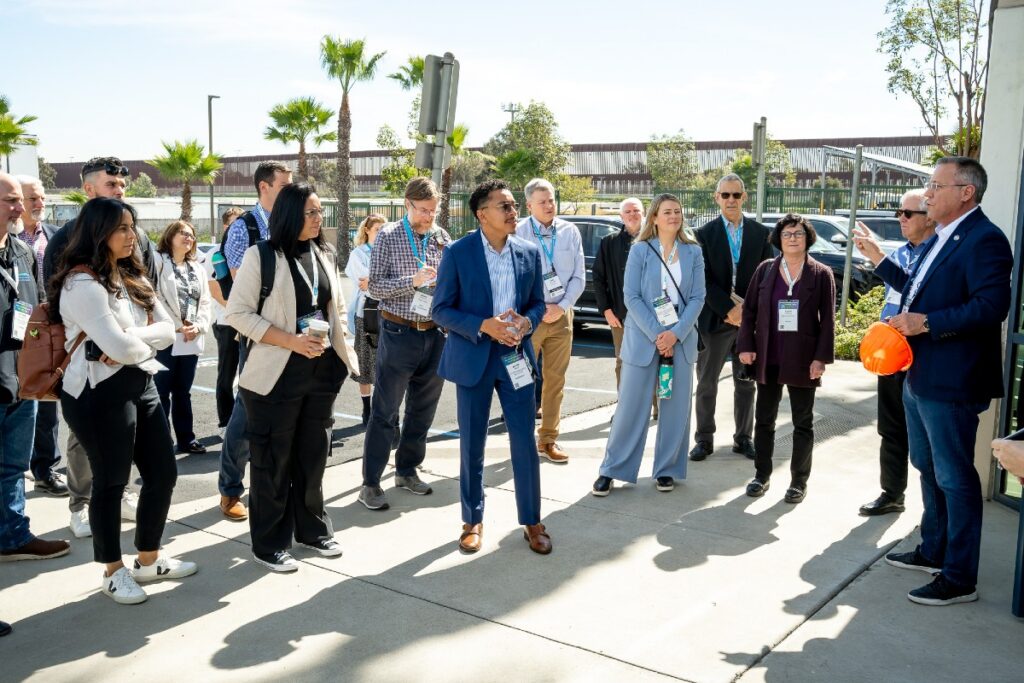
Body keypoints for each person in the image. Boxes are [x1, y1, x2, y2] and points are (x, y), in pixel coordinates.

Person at [854, 157, 1012, 606]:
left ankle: (960, 577)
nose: (927, 194)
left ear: (966, 192)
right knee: (927, 466)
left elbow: (989, 307)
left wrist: (926, 323)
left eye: (936, 186)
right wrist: (881, 260)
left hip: (953, 381)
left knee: (955, 477)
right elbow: (915, 286)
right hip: (919, 375)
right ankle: (933, 549)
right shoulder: (941, 238)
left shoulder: (985, 240)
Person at [52, 197, 196, 604]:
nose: (132, 236)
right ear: (97, 233)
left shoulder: (132, 274)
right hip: (97, 391)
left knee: (163, 474)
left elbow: (169, 330)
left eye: (132, 227)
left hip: (140, 380)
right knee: (111, 481)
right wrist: (129, 344)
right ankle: (112, 570)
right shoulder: (80, 283)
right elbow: (119, 345)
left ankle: (148, 559)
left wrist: (131, 343)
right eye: (121, 229)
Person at [226, 182, 357, 572]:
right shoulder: (261, 255)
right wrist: (292, 342)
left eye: (320, 212)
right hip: (274, 376)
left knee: (312, 457)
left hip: (321, 372)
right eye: (311, 213)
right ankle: (269, 544)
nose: (319, 219)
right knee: (272, 462)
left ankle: (313, 531)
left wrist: (338, 346)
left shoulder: (324, 253)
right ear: (289, 215)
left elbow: (337, 308)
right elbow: (238, 315)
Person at [432, 179, 551, 554]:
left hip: (515, 358)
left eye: (514, 205)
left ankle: (532, 520)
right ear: (483, 214)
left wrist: (526, 323)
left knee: (524, 442)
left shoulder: (529, 252)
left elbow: (537, 303)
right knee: (473, 443)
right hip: (474, 358)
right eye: (506, 206)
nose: (514, 211)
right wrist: (484, 324)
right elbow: (441, 310)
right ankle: (472, 519)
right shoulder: (458, 253)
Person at [42, 157, 149, 538]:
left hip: (131, 360)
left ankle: (120, 494)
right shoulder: (66, 238)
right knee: (83, 441)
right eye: (111, 185)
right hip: (86, 367)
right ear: (88, 189)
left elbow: (146, 296)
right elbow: (55, 302)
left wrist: (129, 341)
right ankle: (80, 503)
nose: (119, 191)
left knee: (131, 433)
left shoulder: (138, 235)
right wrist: (98, 340)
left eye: (122, 185)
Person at [592, 193, 705, 496]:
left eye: (677, 211)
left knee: (675, 406)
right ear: (654, 217)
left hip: (679, 343)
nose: (673, 216)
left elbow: (698, 298)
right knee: (631, 407)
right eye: (667, 212)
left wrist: (675, 334)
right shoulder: (640, 250)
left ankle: (666, 469)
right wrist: (659, 333)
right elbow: (631, 297)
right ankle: (612, 469)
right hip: (643, 339)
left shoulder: (693, 252)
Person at [359, 177, 450, 511]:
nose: (429, 216)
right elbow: (376, 288)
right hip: (398, 332)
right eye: (424, 210)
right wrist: (411, 282)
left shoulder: (441, 237)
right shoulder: (388, 235)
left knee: (422, 409)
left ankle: (407, 470)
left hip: (435, 332)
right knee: (385, 411)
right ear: (407, 204)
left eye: (433, 210)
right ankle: (370, 483)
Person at [737, 214, 835, 505]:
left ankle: (798, 482)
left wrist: (821, 359)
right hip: (768, 356)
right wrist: (746, 346)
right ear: (778, 239)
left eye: (799, 233)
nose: (793, 238)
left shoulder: (821, 273)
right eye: (787, 234)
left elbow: (828, 321)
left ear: (808, 238)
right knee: (764, 420)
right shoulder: (765, 270)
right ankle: (761, 475)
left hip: (803, 359)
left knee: (802, 423)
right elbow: (749, 312)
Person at [0, 172, 70, 564]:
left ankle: (12, 536)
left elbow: (33, 310)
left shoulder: (22, 253)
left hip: (19, 382)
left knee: (12, 468)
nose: (20, 208)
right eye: (11, 200)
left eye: (20, 200)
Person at [218, 162, 292, 522]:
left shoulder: (290, 225)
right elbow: (239, 288)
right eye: (283, 185)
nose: (289, 191)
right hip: (259, 334)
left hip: (293, 336)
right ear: (264, 187)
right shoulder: (243, 228)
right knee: (246, 413)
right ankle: (231, 488)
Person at [857, 190, 936, 517]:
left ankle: (933, 510)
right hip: (893, 354)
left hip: (923, 357)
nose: (901, 219)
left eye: (908, 214)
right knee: (891, 428)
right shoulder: (901, 253)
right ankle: (892, 493)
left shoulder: (936, 255)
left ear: (928, 217)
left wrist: (877, 256)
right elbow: (893, 301)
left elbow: (916, 293)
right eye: (899, 213)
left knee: (927, 438)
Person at [690, 173, 773, 462]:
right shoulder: (702, 234)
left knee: (746, 382)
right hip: (716, 319)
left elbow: (768, 277)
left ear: (744, 197)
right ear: (717, 198)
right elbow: (702, 277)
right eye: (725, 195)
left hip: (750, 322)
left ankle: (743, 438)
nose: (731, 200)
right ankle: (704, 439)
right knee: (707, 382)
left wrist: (747, 312)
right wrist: (728, 308)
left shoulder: (761, 234)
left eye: (736, 195)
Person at [514, 178, 585, 463]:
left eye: (552, 200)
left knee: (555, 381)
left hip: (562, 316)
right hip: (529, 317)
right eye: (542, 201)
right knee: (521, 380)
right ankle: (520, 440)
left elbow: (579, 276)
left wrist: (563, 305)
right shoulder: (516, 232)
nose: (549, 206)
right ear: (529, 204)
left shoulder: (569, 232)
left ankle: (548, 440)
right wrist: (534, 309)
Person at [16, 175, 67, 496]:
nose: (40, 204)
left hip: (47, 334)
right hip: (13, 333)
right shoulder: (9, 241)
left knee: (48, 402)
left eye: (42, 198)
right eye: (33, 198)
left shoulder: (55, 237)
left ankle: (46, 468)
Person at [593, 197, 659, 419]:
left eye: (636, 211)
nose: (632, 214)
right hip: (621, 315)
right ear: (621, 216)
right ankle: (626, 408)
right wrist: (606, 310)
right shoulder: (609, 242)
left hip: (653, 315)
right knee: (624, 362)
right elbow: (599, 278)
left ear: (644, 213)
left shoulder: (656, 240)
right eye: (628, 211)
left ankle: (658, 407)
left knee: (656, 359)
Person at [153, 220, 212, 454]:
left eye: (191, 235)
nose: (188, 238)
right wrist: (178, 326)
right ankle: (160, 441)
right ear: (170, 236)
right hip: (168, 336)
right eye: (182, 234)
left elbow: (205, 301)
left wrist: (198, 326)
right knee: (160, 392)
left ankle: (186, 439)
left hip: (191, 338)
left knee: (183, 392)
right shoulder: (158, 262)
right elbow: (154, 296)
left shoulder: (197, 267)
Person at [203, 207, 244, 434]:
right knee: (226, 375)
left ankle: (243, 421)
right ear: (225, 227)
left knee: (247, 375)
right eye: (234, 224)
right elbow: (214, 288)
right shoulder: (215, 254)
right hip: (228, 323)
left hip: (248, 324)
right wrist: (240, 311)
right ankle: (225, 422)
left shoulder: (248, 252)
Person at [345, 213, 386, 425]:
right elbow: (365, 282)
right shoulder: (358, 254)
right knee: (365, 365)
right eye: (377, 229)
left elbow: (385, 281)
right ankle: (366, 408)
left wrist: (375, 281)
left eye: (383, 229)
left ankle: (381, 408)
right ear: (367, 230)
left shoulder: (389, 253)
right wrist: (379, 282)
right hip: (366, 314)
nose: (381, 234)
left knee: (384, 364)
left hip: (388, 314)